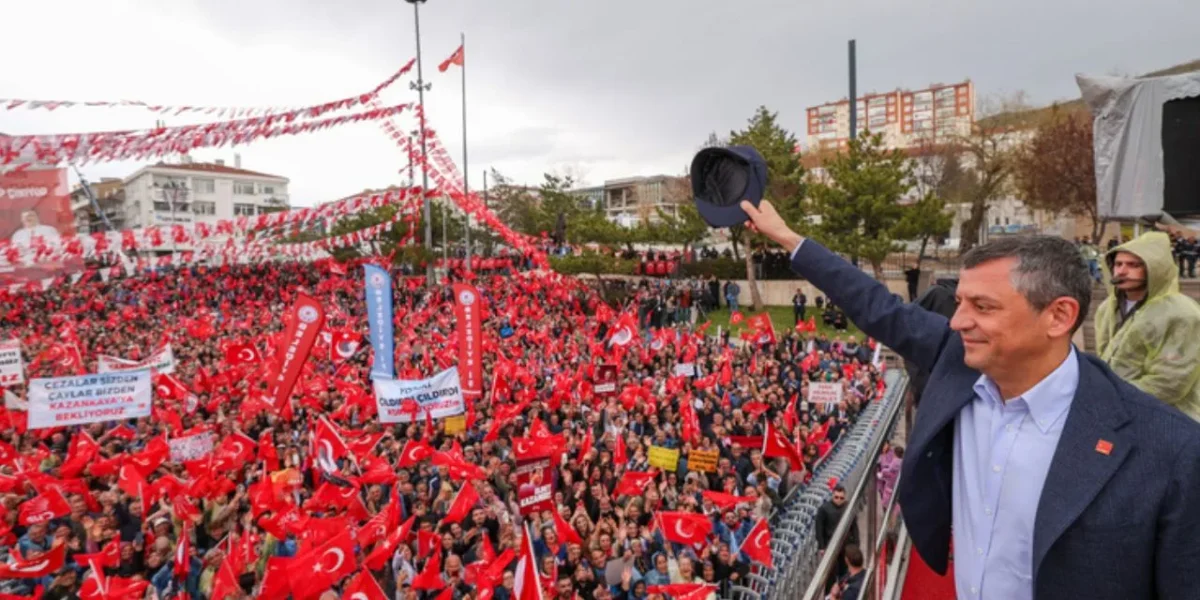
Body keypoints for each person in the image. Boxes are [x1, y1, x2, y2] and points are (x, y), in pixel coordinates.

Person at [742, 199, 1200, 600]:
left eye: (983, 307)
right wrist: (787, 237)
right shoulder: (955, 358)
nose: (958, 321)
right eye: (960, 302)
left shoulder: (1169, 450)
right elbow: (874, 304)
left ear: (1059, 316)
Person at [1095, 232, 1200, 422]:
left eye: (1134, 265)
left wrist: (1111, 394)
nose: (1122, 271)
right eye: (1118, 264)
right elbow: (1104, 358)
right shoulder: (1107, 308)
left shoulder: (1182, 313)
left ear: (1156, 269)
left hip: (1171, 419)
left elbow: (1171, 382)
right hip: (1120, 416)